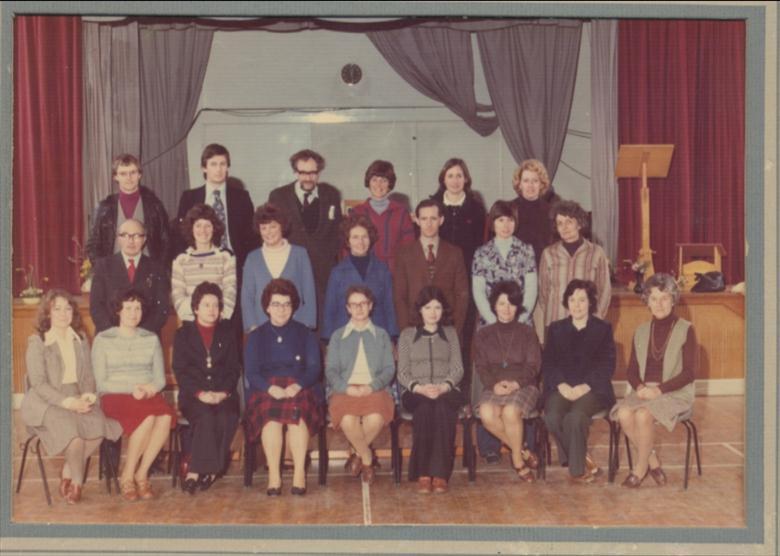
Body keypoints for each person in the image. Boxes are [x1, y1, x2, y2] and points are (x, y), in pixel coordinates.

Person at [20, 289, 122, 504]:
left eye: (68, 308)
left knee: (100, 426)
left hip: (76, 395)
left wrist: (86, 397)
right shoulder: (37, 341)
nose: (63, 313)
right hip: (46, 401)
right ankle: (77, 484)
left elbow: (87, 375)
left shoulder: (81, 338)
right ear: (47, 312)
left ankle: (67, 471)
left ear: (73, 313)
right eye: (56, 308)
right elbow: (38, 384)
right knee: (73, 434)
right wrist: (68, 403)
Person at [610, 273, 697, 488]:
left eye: (665, 297)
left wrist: (659, 390)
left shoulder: (686, 329)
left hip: (674, 392)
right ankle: (653, 461)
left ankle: (639, 471)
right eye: (654, 298)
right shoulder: (640, 331)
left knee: (643, 415)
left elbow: (689, 373)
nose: (659, 304)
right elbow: (631, 371)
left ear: (674, 299)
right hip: (643, 391)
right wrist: (639, 387)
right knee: (623, 413)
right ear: (647, 301)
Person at [92, 289, 176, 501]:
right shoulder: (103, 339)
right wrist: (134, 388)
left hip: (146, 394)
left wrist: (148, 390)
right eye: (128, 308)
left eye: (137, 308)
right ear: (118, 311)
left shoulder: (151, 338)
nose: (133, 313)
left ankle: (141, 473)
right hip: (115, 394)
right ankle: (127, 475)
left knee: (165, 416)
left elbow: (160, 380)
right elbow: (102, 382)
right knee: (147, 418)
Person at [471, 200, 537, 463]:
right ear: (493, 222)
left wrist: (517, 318)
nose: (505, 225)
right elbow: (478, 290)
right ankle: (496, 448)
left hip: (520, 323)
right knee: (490, 385)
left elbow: (531, 288)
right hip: (490, 324)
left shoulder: (526, 250)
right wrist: (495, 319)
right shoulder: (482, 253)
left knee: (519, 387)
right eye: (500, 220)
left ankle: (523, 447)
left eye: (509, 220)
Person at [244, 279, 323, 496]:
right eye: (276, 304)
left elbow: (314, 368)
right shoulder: (256, 336)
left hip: (299, 386)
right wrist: (270, 389)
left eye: (287, 304)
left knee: (297, 418)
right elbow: (251, 372)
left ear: (293, 307)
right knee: (271, 419)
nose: (281, 309)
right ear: (267, 307)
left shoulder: (305, 333)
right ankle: (274, 476)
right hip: (266, 389)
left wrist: (298, 385)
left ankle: (299, 474)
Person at [542, 279, 616, 484]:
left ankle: (577, 470)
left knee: (575, 418)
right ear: (566, 302)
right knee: (552, 417)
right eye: (572, 299)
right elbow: (548, 363)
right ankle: (581, 456)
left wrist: (585, 386)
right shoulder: (556, 329)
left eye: (582, 300)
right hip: (562, 388)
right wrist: (562, 385)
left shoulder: (603, 329)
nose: (577, 305)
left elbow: (607, 365)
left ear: (590, 303)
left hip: (593, 390)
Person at [172, 282, 240, 494]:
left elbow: (233, 369)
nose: (212, 310)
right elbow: (181, 371)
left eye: (216, 305)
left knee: (226, 416)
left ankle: (207, 471)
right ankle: (198, 471)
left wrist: (223, 393)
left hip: (223, 394)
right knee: (205, 417)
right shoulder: (183, 334)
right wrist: (201, 393)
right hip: (193, 395)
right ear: (195, 308)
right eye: (206, 305)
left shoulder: (228, 333)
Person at [325, 286, 396, 485]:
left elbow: (389, 369)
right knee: (348, 420)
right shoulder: (338, 336)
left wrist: (371, 387)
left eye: (363, 304)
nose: (359, 308)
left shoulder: (381, 335)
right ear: (347, 308)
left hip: (374, 388)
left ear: (370, 306)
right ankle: (366, 459)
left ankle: (356, 453)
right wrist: (346, 388)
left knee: (375, 419)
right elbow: (331, 370)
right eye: (354, 305)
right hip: (344, 389)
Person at [397, 286, 465, 494]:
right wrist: (420, 388)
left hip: (447, 389)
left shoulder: (451, 334)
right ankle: (424, 472)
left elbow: (458, 368)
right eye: (428, 307)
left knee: (443, 409)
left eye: (437, 307)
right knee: (426, 409)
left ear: (443, 310)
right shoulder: (407, 335)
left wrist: (444, 386)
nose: (433, 312)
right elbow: (402, 372)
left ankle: (440, 474)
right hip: (416, 391)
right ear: (420, 310)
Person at [473, 281, 541, 483]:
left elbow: (533, 366)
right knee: (486, 413)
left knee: (511, 411)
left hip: (524, 385)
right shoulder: (483, 334)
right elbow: (481, 367)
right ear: (494, 306)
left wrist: (515, 384)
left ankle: (518, 461)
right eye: (501, 303)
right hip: (494, 384)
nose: (506, 309)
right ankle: (522, 450)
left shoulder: (527, 332)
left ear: (518, 307)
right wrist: (494, 385)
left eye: (511, 304)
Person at [268, 149, 343, 330]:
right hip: (291, 268)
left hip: (323, 271)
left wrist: (329, 259)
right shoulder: (278, 196)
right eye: (303, 173)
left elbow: (337, 231)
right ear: (295, 172)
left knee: (323, 322)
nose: (308, 178)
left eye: (313, 173)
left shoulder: (331, 194)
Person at [394, 199, 470, 340]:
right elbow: (400, 298)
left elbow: (462, 296)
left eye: (433, 218)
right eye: (424, 218)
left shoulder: (455, 253)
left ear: (441, 220)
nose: (428, 224)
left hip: (447, 328)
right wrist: (407, 333)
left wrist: (454, 331)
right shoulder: (404, 254)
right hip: (414, 329)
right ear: (416, 220)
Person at [175, 144, 257, 273]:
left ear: (227, 167)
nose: (218, 169)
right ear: (204, 168)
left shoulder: (242, 198)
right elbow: (181, 236)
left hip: (235, 265)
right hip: (199, 264)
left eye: (222, 164)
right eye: (213, 164)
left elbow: (252, 236)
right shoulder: (189, 198)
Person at [321, 213, 398, 342]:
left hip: (377, 335)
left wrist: (392, 338)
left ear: (371, 239)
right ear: (348, 241)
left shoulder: (382, 269)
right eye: (355, 237)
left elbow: (389, 306)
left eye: (365, 237)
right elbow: (330, 309)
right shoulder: (337, 272)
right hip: (345, 336)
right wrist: (329, 342)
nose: (360, 242)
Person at [241, 204, 317, 333]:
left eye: (273, 226)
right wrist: (253, 326)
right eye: (264, 228)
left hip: (296, 326)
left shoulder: (300, 254)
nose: (268, 232)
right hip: (261, 328)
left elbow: (309, 293)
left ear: (282, 226)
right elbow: (247, 297)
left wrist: (305, 324)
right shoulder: (252, 258)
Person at [86, 153, 171, 266]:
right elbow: (93, 245)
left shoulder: (155, 206)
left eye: (133, 172)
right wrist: (104, 272)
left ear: (139, 174)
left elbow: (166, 241)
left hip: (147, 272)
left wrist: (158, 270)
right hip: (114, 273)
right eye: (123, 173)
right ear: (115, 177)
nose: (128, 178)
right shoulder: (103, 208)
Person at [538, 200, 611, 331]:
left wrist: (595, 318)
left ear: (579, 224)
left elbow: (604, 290)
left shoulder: (596, 252)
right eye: (560, 223)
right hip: (555, 322)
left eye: (569, 222)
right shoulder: (548, 254)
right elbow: (543, 293)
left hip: (587, 324)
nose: (564, 227)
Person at [90, 218, 171, 334]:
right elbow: (96, 307)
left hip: (146, 338)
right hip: (111, 337)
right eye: (125, 235)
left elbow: (162, 309)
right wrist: (118, 334)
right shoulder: (103, 266)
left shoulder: (157, 268)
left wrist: (139, 335)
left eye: (137, 236)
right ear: (118, 239)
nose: (131, 240)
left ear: (144, 239)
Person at [171, 204, 236, 322]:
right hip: (191, 323)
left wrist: (216, 318)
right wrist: (199, 319)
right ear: (191, 228)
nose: (203, 231)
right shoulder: (181, 259)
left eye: (208, 226)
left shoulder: (226, 257)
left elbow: (230, 293)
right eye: (198, 226)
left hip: (219, 322)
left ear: (214, 228)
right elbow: (178, 297)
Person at [351, 160, 415, 271]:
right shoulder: (357, 212)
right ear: (368, 182)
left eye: (384, 180)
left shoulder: (401, 212)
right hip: (364, 270)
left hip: (394, 273)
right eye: (374, 180)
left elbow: (409, 248)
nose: (378, 185)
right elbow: (347, 247)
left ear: (390, 184)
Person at [430, 158, 486, 274]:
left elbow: (480, 244)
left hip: (467, 270)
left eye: (459, 176)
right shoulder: (431, 207)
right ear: (443, 180)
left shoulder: (477, 208)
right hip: (438, 270)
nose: (455, 181)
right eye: (450, 176)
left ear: (465, 179)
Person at [511, 158, 561, 266]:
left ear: (541, 184)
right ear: (519, 184)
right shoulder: (510, 208)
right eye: (526, 181)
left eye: (535, 181)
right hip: (516, 266)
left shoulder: (551, 211)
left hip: (543, 266)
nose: (530, 185)